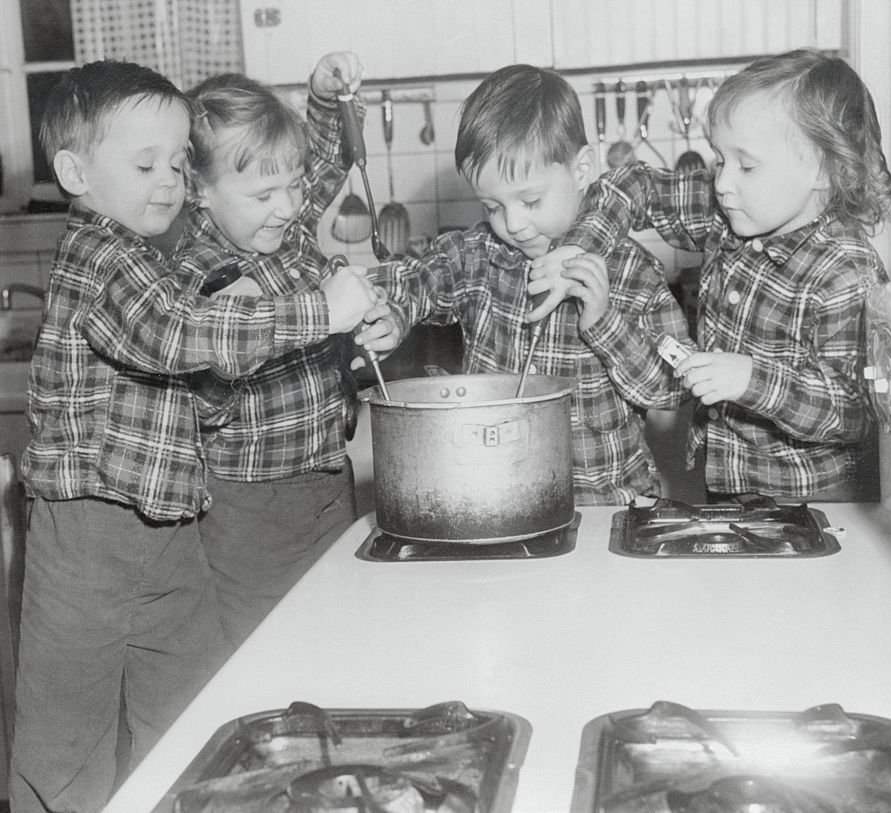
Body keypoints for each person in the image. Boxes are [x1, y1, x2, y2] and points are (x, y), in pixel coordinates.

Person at [10, 59, 380, 813]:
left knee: (195, 712)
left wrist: (318, 107)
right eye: (146, 164)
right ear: (74, 173)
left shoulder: (146, 253)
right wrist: (321, 312)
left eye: (178, 164)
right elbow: (176, 332)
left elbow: (289, 177)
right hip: (87, 534)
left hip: (170, 526)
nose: (169, 182)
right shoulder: (99, 258)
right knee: (65, 742)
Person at [534, 48, 891, 503]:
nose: (723, 183)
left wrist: (752, 379)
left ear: (823, 169)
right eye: (720, 160)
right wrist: (581, 245)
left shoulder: (846, 272)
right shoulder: (726, 214)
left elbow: (856, 410)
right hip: (726, 484)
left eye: (746, 166)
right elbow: (633, 184)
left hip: (817, 503)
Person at [369, 64, 694, 505]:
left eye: (531, 200)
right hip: (499, 500)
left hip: (607, 504)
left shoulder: (632, 271)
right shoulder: (477, 256)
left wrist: (603, 322)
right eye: (492, 206)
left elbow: (670, 390)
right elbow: (416, 278)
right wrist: (391, 311)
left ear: (582, 170)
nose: (514, 224)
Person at [176, 52, 399, 650]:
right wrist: (246, 340)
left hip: (327, 479)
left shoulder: (279, 230)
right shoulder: (204, 274)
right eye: (264, 194)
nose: (290, 205)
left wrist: (324, 100)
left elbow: (321, 160)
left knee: (338, 639)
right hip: (251, 507)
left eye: (294, 186)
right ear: (199, 190)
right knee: (268, 651)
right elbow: (204, 401)